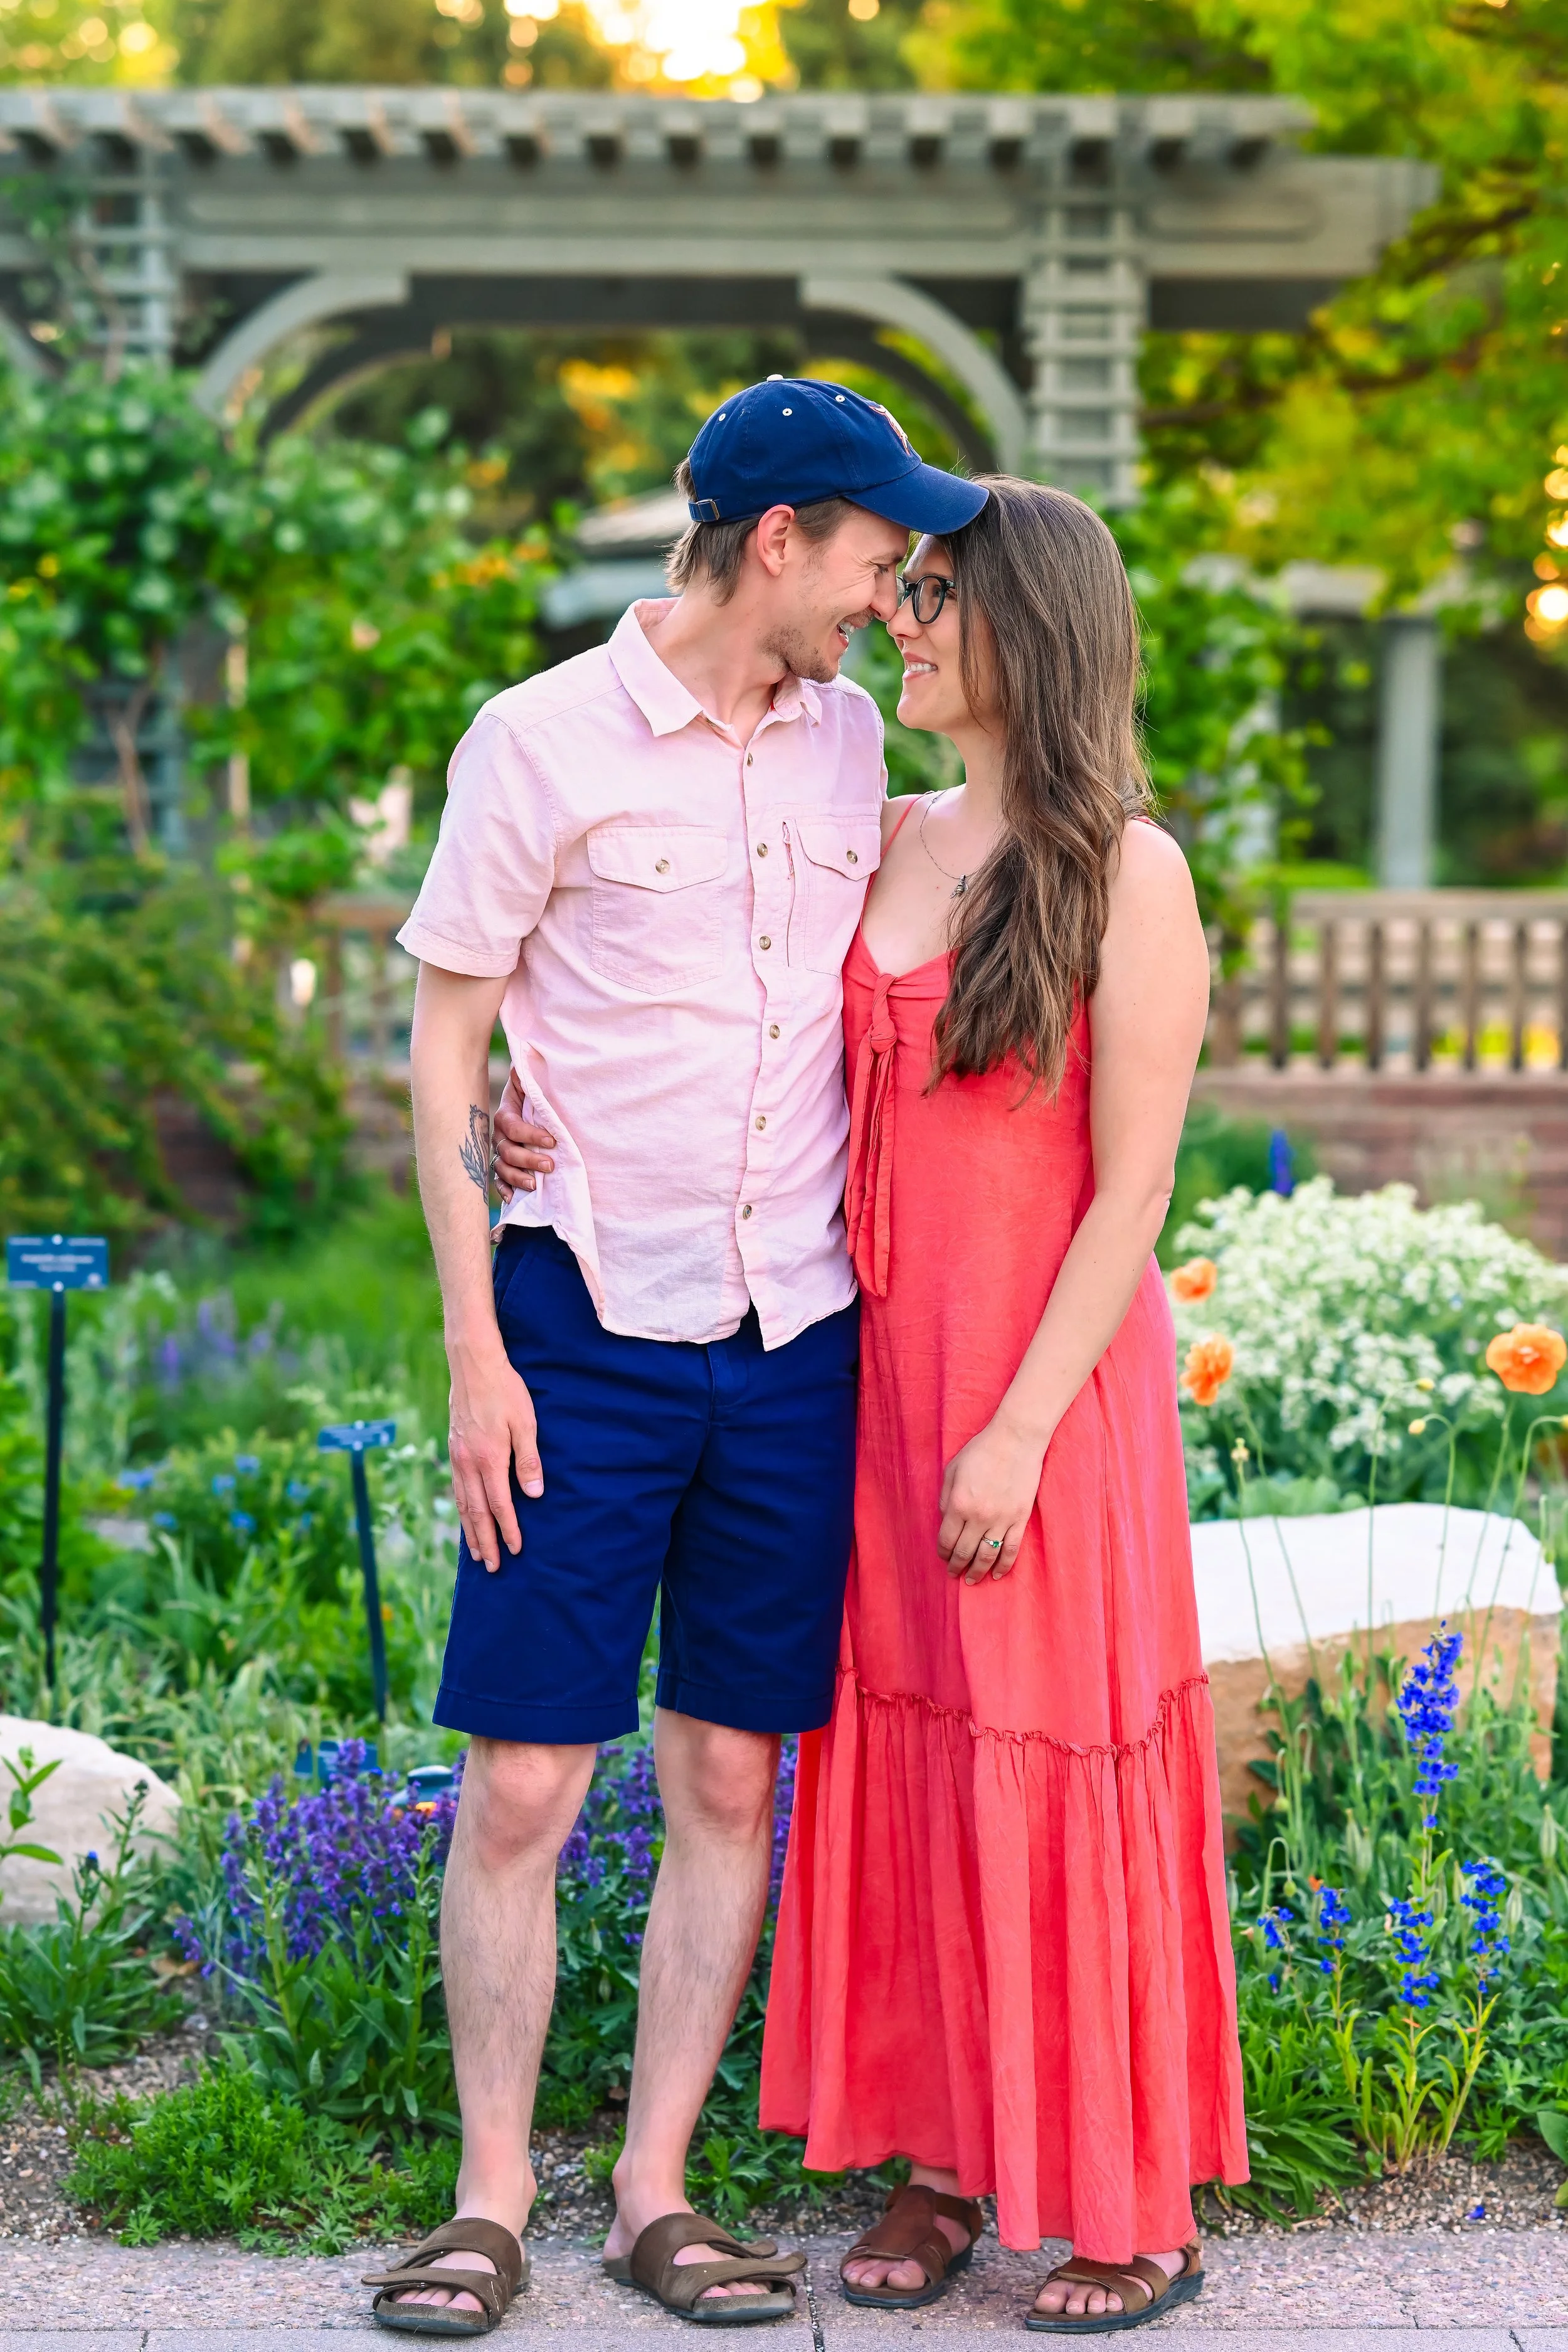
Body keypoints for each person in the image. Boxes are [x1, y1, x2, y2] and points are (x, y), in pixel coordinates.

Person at [505, 476, 1248, 2332]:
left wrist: (1013, 1426)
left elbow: (1133, 1191)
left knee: (1051, 1753)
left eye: (932, 597)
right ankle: (939, 2155)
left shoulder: (1123, 875)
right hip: (868, 1383)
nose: (900, 622)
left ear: (1031, 630)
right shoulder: (884, 825)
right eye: (896, 591)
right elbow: (703, 1016)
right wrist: (526, 1118)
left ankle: (1117, 2188)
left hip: (1041, 1400)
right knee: (906, 1758)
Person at [368, 379, 988, 2334]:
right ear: (780, 534)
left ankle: (651, 2186)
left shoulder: (847, 747)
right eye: (878, 551)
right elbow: (448, 1056)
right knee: (530, 1782)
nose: (893, 591)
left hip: (793, 1331)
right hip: (579, 1329)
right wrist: (476, 1346)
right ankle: (485, 2199)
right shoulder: (537, 739)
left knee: (729, 1765)